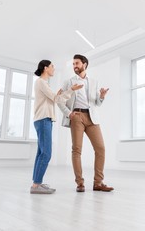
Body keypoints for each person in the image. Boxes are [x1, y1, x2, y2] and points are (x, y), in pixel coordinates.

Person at [58, 54, 114, 192]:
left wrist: (101, 97)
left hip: (92, 117)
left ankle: (98, 183)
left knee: (100, 148)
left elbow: (97, 103)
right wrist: (69, 113)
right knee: (77, 150)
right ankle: (80, 183)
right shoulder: (69, 82)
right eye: (73, 64)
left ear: (85, 64)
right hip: (76, 116)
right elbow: (59, 100)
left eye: (77, 63)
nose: (74, 66)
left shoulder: (93, 81)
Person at [31, 60, 83, 194]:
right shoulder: (41, 82)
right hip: (43, 119)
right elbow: (56, 99)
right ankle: (36, 185)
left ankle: (37, 183)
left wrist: (59, 95)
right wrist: (71, 90)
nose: (54, 68)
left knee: (41, 153)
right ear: (45, 68)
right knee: (46, 153)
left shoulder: (42, 83)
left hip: (41, 119)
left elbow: (54, 98)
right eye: (52, 66)